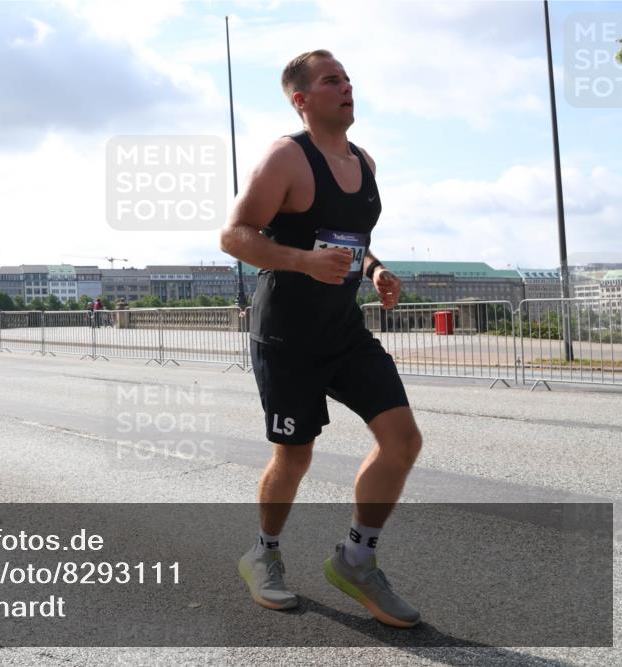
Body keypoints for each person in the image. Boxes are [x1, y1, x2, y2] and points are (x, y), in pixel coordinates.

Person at [220, 50, 421, 627]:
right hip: (286, 336)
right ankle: (263, 554)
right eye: (332, 80)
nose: (347, 86)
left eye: (348, 78)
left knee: (402, 440)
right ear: (301, 99)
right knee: (295, 454)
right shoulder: (287, 157)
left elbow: (353, 242)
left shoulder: (365, 161)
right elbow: (234, 235)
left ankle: (356, 561)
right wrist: (303, 261)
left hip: (344, 332)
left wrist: (375, 268)